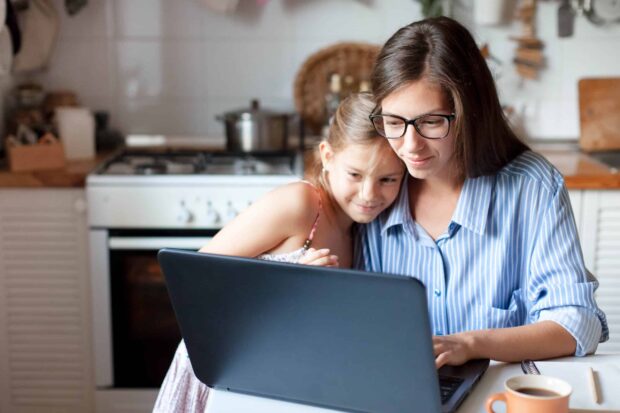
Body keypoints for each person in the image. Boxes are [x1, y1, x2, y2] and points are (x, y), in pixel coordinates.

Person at [356, 16, 608, 369]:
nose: (409, 145)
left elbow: (577, 323)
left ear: (469, 113)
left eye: (430, 122)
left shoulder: (533, 188)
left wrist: (472, 343)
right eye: (394, 122)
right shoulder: (373, 188)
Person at [153, 92, 406, 412]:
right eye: (354, 175)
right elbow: (191, 278)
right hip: (219, 374)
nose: (369, 194)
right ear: (327, 156)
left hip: (272, 378)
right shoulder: (301, 204)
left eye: (387, 179)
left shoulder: (362, 231)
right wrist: (293, 285)